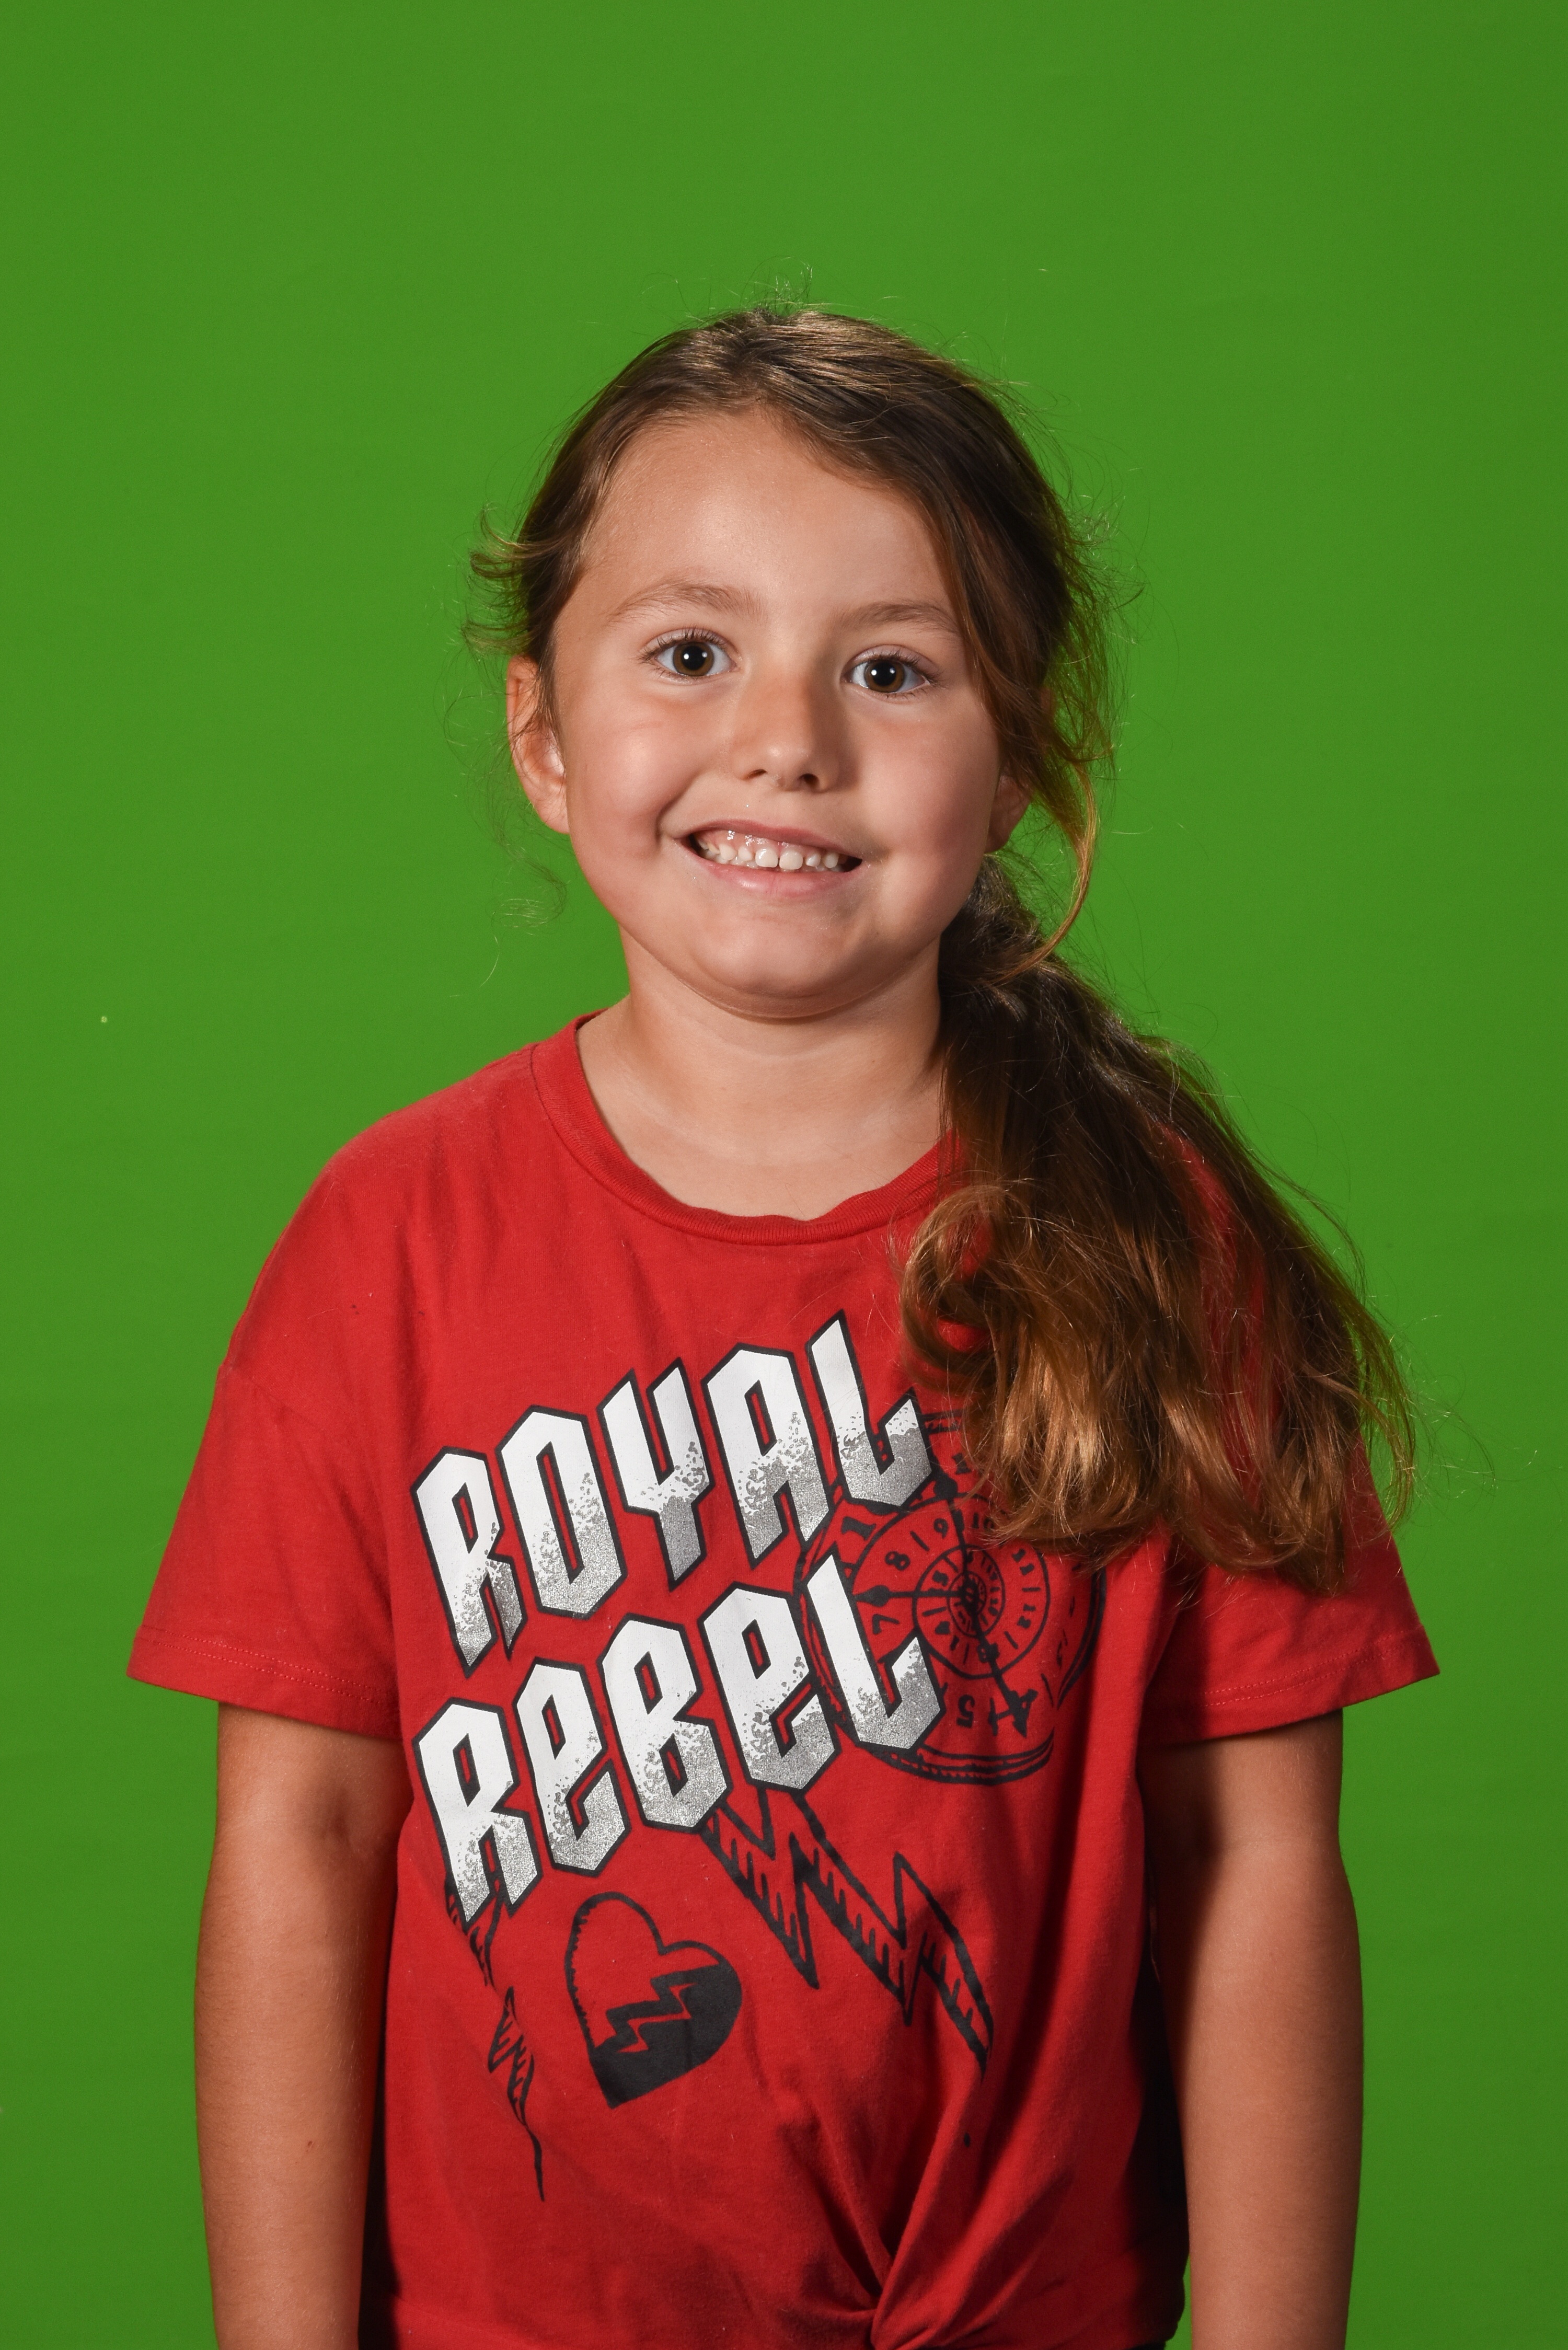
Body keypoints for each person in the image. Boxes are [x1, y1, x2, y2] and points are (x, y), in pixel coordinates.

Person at [130, 305, 1437, 2350]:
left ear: (1016, 753)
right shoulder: (386, 1244)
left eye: (891, 668)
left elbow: (1255, 1858)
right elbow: (302, 1838)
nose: (787, 740)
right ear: (544, 735)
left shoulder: (1154, 1240)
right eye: (690, 651)